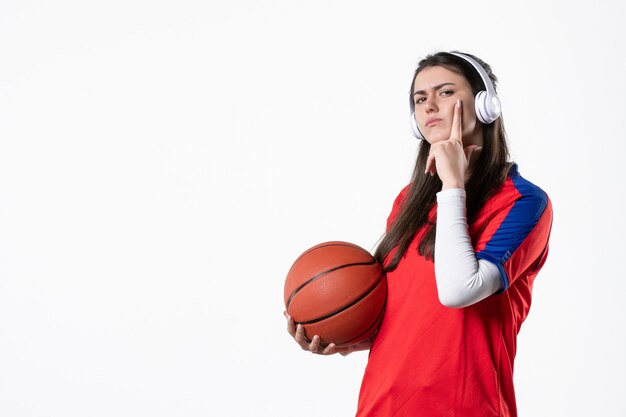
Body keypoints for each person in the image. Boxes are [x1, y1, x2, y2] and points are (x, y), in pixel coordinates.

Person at [285, 51, 553, 417]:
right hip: (382, 405)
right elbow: (406, 312)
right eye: (419, 99)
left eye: (444, 92)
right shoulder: (408, 201)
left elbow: (459, 290)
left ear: (486, 104)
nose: (429, 106)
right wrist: (345, 334)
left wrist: (453, 182)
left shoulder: (524, 202)